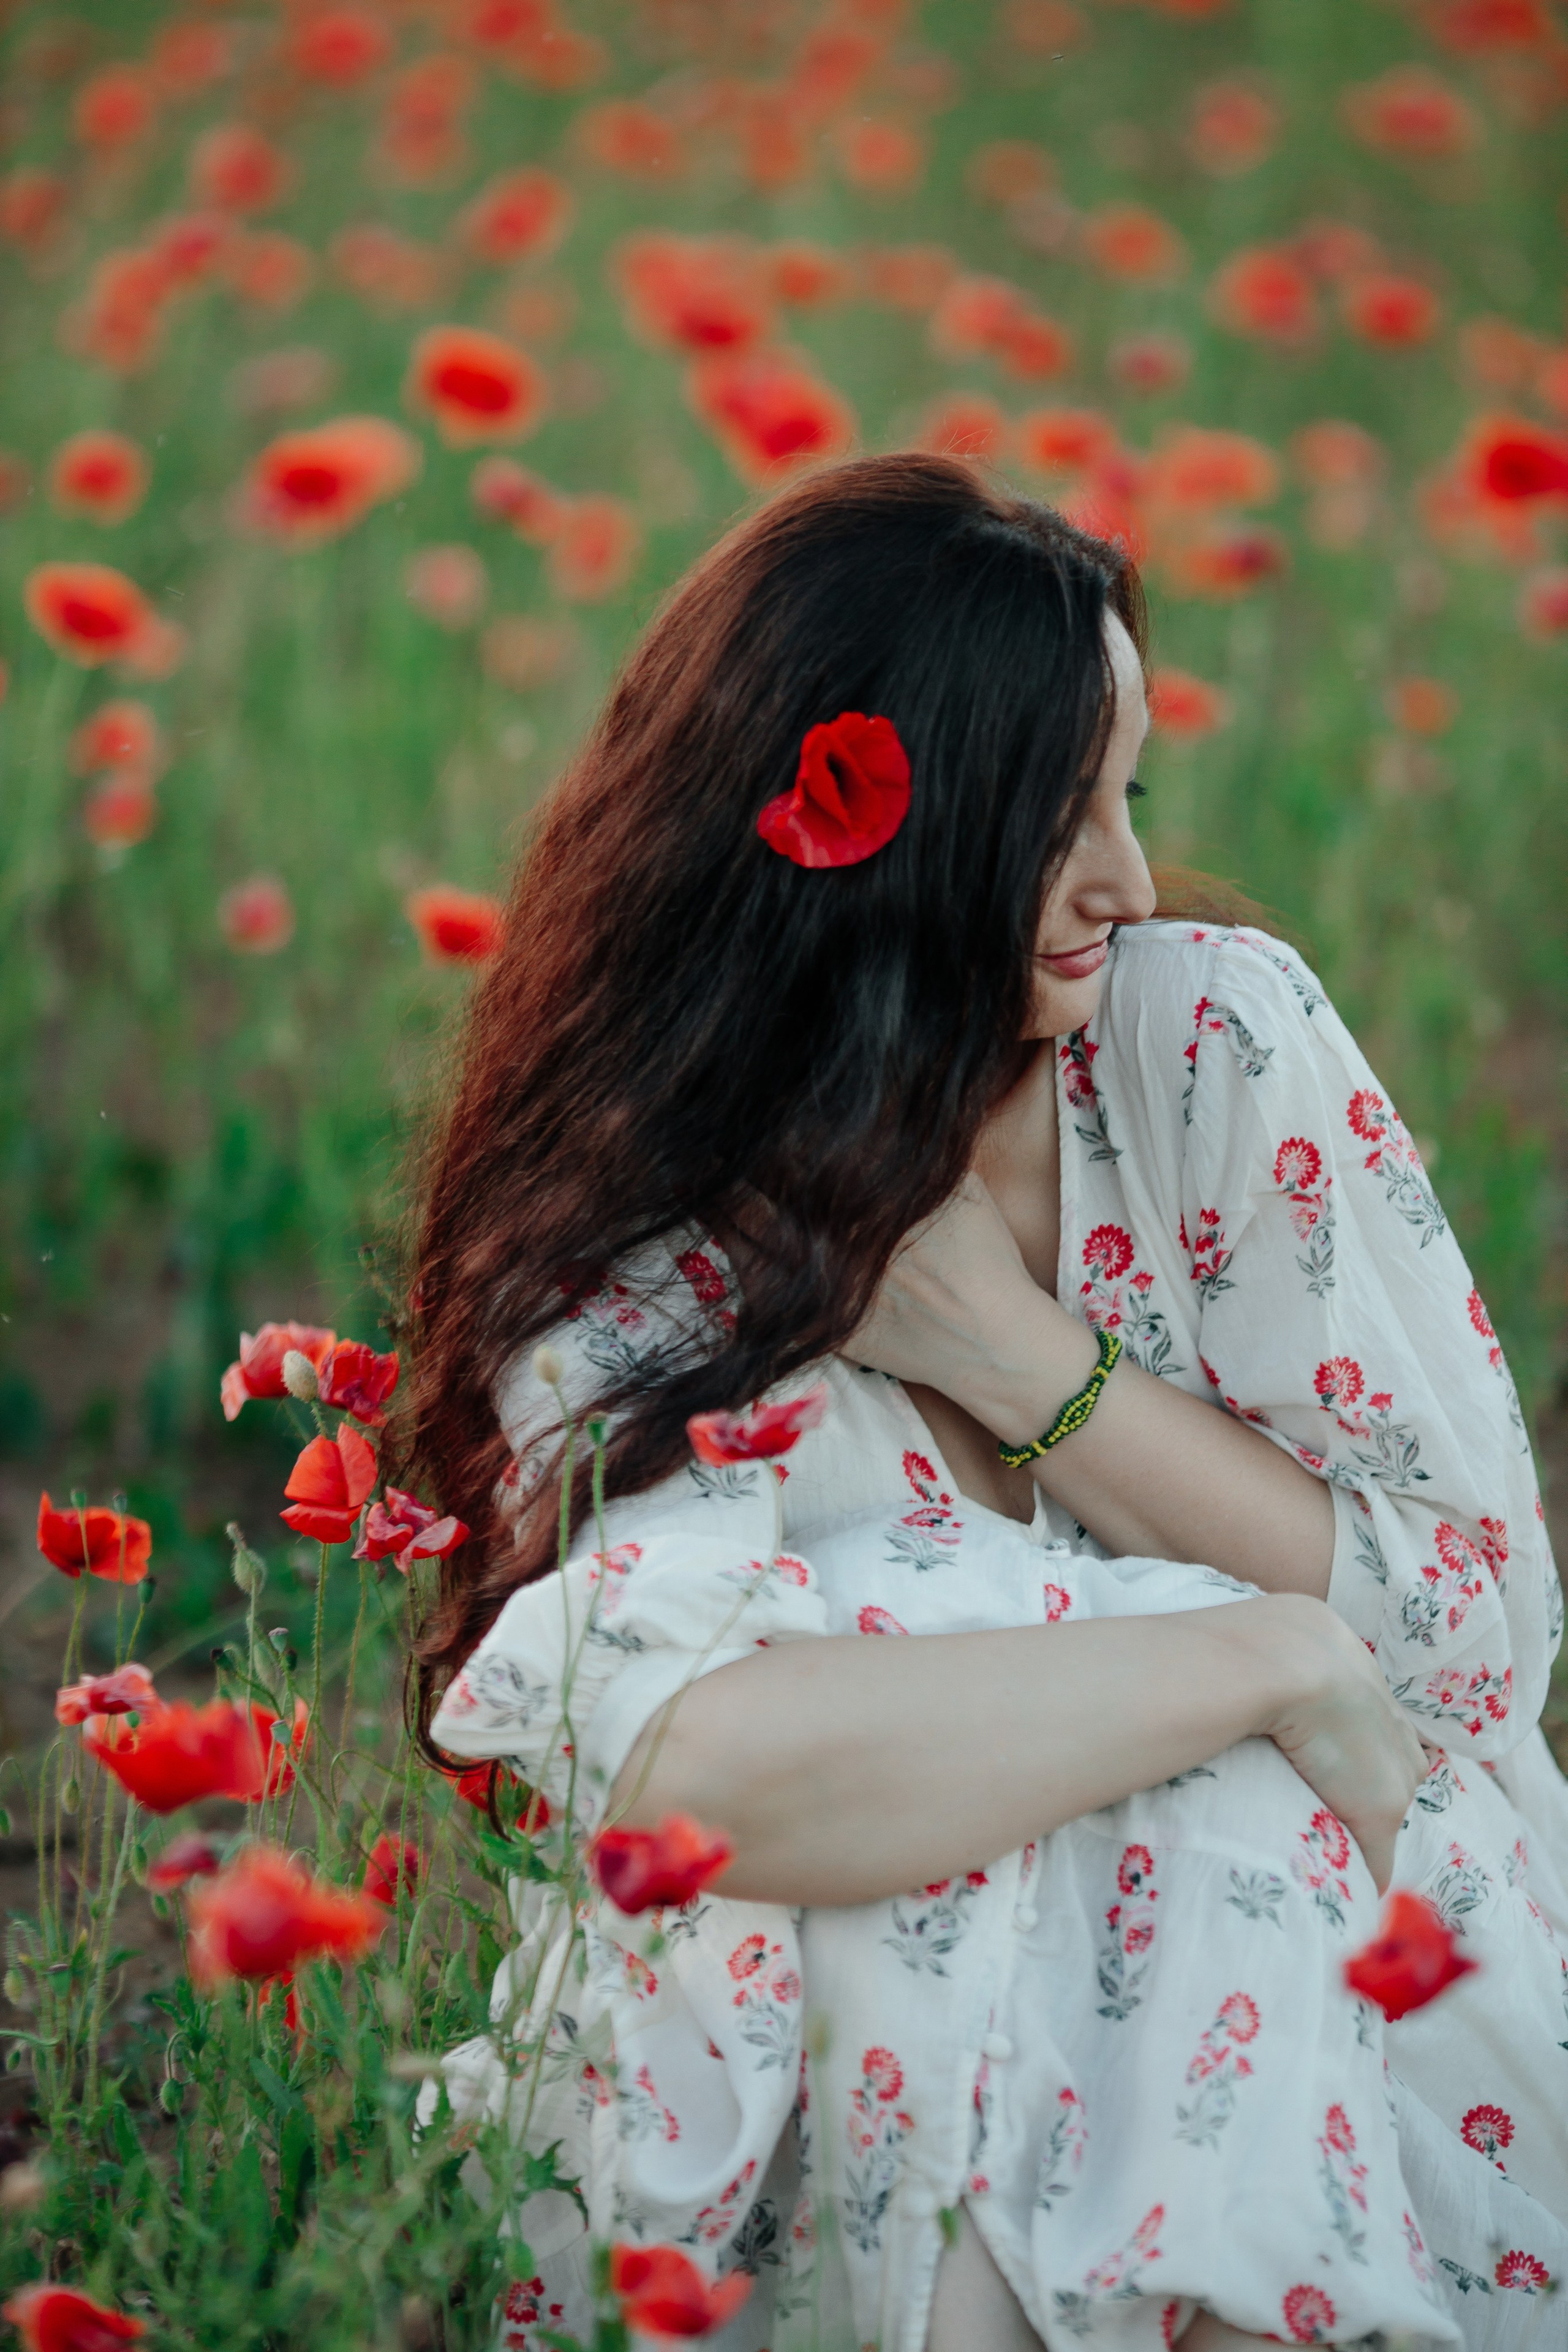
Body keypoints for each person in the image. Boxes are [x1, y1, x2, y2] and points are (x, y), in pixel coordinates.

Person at [408, 454, 1568, 2348]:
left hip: (1348, 1935)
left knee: (1213, 1815)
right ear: (855, 828)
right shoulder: (642, 1207)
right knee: (971, 1843)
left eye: (1130, 797)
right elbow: (684, 1772)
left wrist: (1007, 1355)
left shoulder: (1209, 1048)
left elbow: (1461, 1649)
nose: (1126, 881)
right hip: (837, 2019)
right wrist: (1259, 1655)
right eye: (1054, 815)